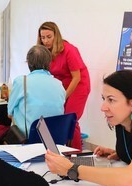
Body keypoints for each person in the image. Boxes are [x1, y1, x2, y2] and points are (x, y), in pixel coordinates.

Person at [37, 21, 91, 150]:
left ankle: (76, 154)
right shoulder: (45, 52)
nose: (46, 41)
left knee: (71, 118)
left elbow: (76, 77)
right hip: (62, 86)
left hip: (78, 84)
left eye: (49, 37)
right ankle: (63, 150)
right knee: (60, 118)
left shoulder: (69, 50)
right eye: (42, 37)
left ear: (56, 36)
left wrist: (63, 97)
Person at [8, 45, 65, 136]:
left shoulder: (21, 82)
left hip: (27, 138)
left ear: (28, 62)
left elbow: (9, 112)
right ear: (49, 63)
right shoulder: (59, 84)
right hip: (54, 138)